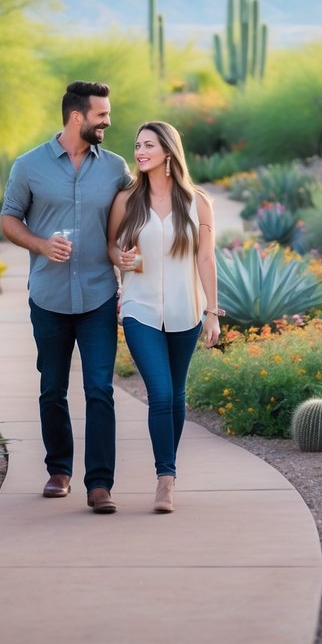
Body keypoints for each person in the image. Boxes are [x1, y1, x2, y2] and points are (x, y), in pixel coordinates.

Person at [0, 81, 132, 514]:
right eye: (102, 115)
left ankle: (99, 484)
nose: (108, 122)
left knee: (99, 389)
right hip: (49, 296)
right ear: (77, 117)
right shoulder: (29, 165)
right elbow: (9, 219)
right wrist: (40, 245)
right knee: (52, 388)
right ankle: (59, 471)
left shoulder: (115, 168)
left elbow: (143, 204)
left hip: (97, 294)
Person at [108, 121, 220, 514]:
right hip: (139, 310)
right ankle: (165, 479)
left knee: (177, 394)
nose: (140, 152)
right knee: (159, 393)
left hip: (185, 310)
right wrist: (118, 258)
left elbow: (205, 258)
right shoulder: (127, 200)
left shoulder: (197, 202)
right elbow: (113, 246)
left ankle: (167, 473)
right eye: (137, 145)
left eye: (148, 145)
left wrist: (212, 312)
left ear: (168, 152)